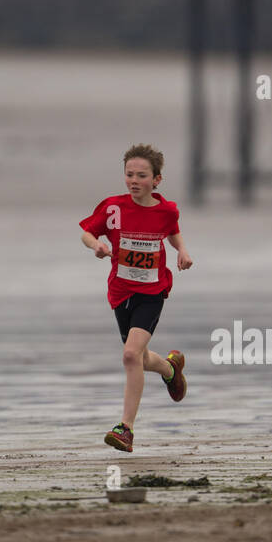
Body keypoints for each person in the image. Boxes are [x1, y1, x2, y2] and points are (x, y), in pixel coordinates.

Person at [78, 143, 193, 452]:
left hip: (152, 292)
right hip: (120, 292)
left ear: (156, 180)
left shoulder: (166, 209)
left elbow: (171, 228)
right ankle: (170, 369)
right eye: (129, 174)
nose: (134, 180)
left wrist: (181, 250)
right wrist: (96, 247)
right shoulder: (113, 208)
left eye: (142, 175)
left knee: (130, 355)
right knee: (139, 358)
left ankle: (125, 429)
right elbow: (87, 232)